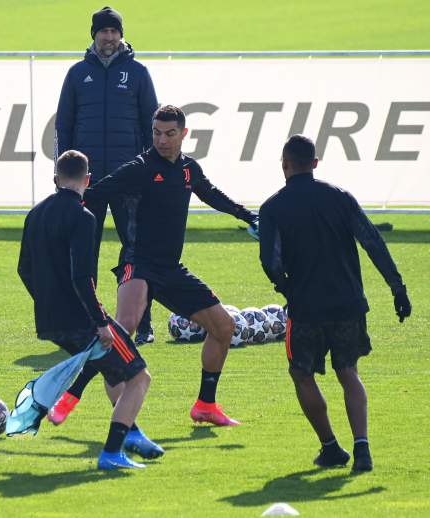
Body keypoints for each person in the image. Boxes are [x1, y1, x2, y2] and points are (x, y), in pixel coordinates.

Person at [58, 105, 259, 428]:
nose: (162, 140)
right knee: (122, 332)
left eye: (169, 134)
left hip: (171, 270)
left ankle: (206, 405)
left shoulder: (189, 171)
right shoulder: (140, 167)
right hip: (137, 264)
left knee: (224, 327)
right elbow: (96, 192)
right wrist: (61, 208)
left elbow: (212, 195)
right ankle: (75, 395)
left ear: (183, 134)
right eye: (156, 133)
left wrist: (247, 216)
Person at [259, 134, 412, 472]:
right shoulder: (341, 198)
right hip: (348, 305)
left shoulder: (272, 208)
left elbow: (270, 262)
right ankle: (362, 449)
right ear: (314, 164)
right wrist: (397, 287)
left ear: (284, 163)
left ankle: (330, 446)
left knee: (301, 373)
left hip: (306, 308)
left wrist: (285, 287)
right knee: (348, 372)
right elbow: (372, 241)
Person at [18, 150, 162, 469]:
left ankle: (133, 433)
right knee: (139, 376)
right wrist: (101, 323)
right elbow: (82, 277)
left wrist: (47, 302)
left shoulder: (35, 214)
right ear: (87, 180)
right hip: (82, 319)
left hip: (50, 320)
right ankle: (112, 453)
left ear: (56, 179)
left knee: (113, 372)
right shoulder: (83, 217)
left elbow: (24, 269)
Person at [49, 5, 159, 425]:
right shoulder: (78, 74)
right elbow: (65, 127)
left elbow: (152, 124)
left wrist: (148, 170)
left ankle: (140, 324)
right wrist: (66, 172)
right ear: (93, 36)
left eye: (114, 32)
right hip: (88, 183)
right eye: (103, 32)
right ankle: (85, 322)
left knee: (135, 252)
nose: (108, 38)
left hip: (129, 179)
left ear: (121, 35)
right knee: (85, 255)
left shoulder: (139, 73)